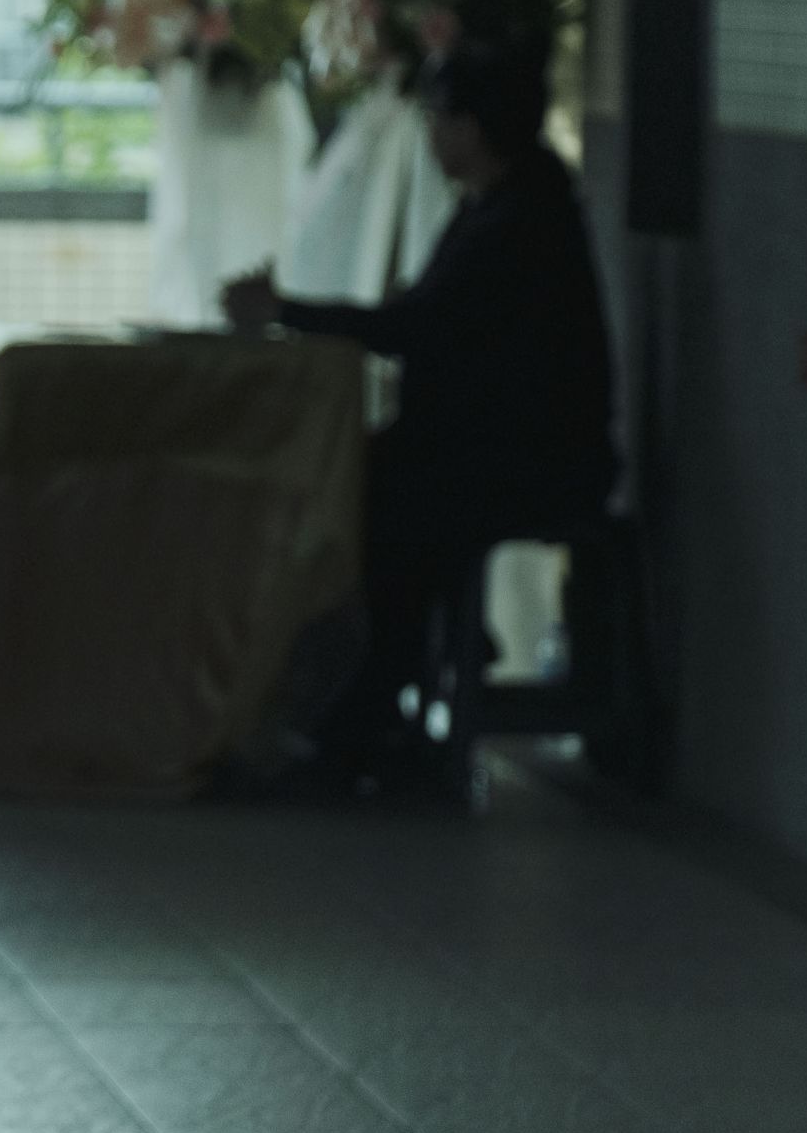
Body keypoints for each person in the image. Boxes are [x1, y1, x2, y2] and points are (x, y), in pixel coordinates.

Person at [223, 39, 616, 785]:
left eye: (438, 120)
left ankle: (366, 711)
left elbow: (417, 327)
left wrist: (285, 311)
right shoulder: (511, 203)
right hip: (498, 446)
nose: (431, 136)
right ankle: (387, 690)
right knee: (374, 487)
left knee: (382, 507)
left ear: (471, 128)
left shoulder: (514, 220)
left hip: (522, 459)